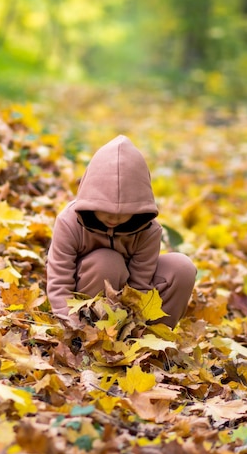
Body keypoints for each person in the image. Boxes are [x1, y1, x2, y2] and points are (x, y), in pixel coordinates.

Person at [46, 135, 196, 328]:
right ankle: (94, 331)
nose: (114, 218)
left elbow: (140, 285)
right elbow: (59, 281)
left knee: (182, 267)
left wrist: (131, 323)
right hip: (84, 298)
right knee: (108, 262)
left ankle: (154, 338)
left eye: (124, 213)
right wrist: (72, 325)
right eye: (105, 209)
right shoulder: (69, 222)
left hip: (129, 303)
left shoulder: (148, 231)